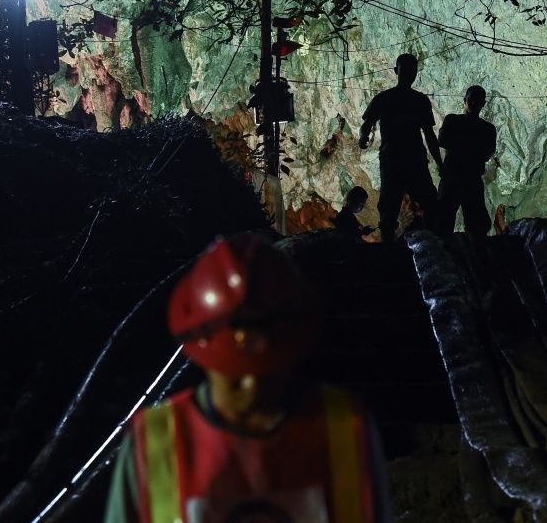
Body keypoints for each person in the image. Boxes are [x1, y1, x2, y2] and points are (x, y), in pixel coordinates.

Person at [105, 234, 392, 523]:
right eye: (235, 374)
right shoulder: (156, 444)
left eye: (269, 371)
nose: (253, 387)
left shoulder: (344, 428)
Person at [358, 54, 442, 243]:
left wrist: (363, 137)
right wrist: (363, 136)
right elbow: (367, 125)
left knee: (421, 204)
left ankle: (419, 245)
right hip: (400, 161)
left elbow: (430, 135)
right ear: (396, 71)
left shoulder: (396, 99)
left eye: (412, 71)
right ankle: (398, 247)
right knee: (394, 207)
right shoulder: (411, 100)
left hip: (403, 160)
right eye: (406, 70)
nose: (410, 74)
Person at [434, 86, 497, 236]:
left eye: (477, 101)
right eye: (471, 100)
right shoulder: (485, 129)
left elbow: (486, 153)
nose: (474, 103)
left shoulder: (455, 122)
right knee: (444, 221)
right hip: (458, 178)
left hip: (463, 178)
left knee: (472, 224)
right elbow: (442, 141)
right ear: (465, 100)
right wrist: (472, 146)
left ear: (483, 104)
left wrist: (460, 143)